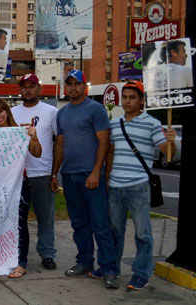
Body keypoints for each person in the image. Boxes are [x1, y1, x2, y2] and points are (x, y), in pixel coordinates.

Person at [50, 70, 119, 289]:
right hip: (69, 176)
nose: (72, 88)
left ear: (84, 86)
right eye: (69, 84)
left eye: (76, 83)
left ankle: (109, 269)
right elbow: (60, 145)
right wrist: (54, 173)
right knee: (79, 223)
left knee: (100, 224)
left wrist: (96, 171)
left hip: (91, 176)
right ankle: (85, 262)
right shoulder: (62, 113)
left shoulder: (95, 109)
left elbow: (104, 143)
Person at [105, 81, 176, 290]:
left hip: (139, 186)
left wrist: (170, 141)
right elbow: (110, 153)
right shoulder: (114, 123)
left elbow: (164, 150)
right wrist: (107, 178)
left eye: (132, 97)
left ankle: (141, 274)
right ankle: (112, 269)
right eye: (124, 97)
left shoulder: (152, 123)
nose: (127, 101)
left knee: (142, 233)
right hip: (115, 186)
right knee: (114, 231)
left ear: (141, 100)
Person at [0, 98, 41, 278]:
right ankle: (1, 258)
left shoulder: (21, 131)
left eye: (0, 111)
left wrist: (33, 135)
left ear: (7, 111)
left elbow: (37, 152)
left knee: (19, 223)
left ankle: (21, 262)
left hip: (19, 184)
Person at [11, 74, 59, 271]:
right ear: (20, 90)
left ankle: (47, 253)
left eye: (32, 86)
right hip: (17, 174)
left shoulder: (51, 112)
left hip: (42, 172)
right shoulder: (12, 112)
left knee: (45, 217)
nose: (28, 90)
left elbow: (59, 142)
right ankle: (15, 252)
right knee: (16, 219)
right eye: (24, 86)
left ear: (39, 89)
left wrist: (54, 173)